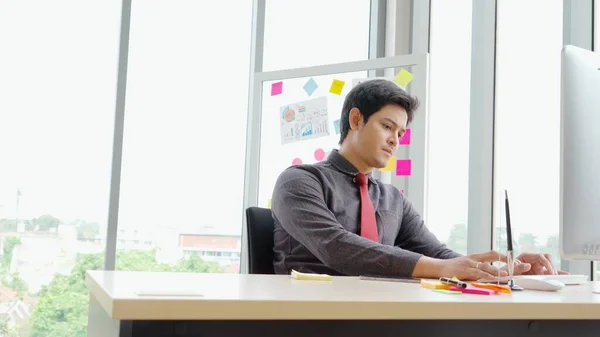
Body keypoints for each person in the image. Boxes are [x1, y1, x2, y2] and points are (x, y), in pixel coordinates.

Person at [270, 79, 566, 281]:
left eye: (400, 133)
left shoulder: (392, 199)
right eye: (387, 127)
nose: (395, 141)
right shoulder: (299, 181)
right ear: (356, 119)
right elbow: (336, 246)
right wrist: (443, 268)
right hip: (310, 316)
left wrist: (504, 270)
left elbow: (439, 254)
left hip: (379, 315)